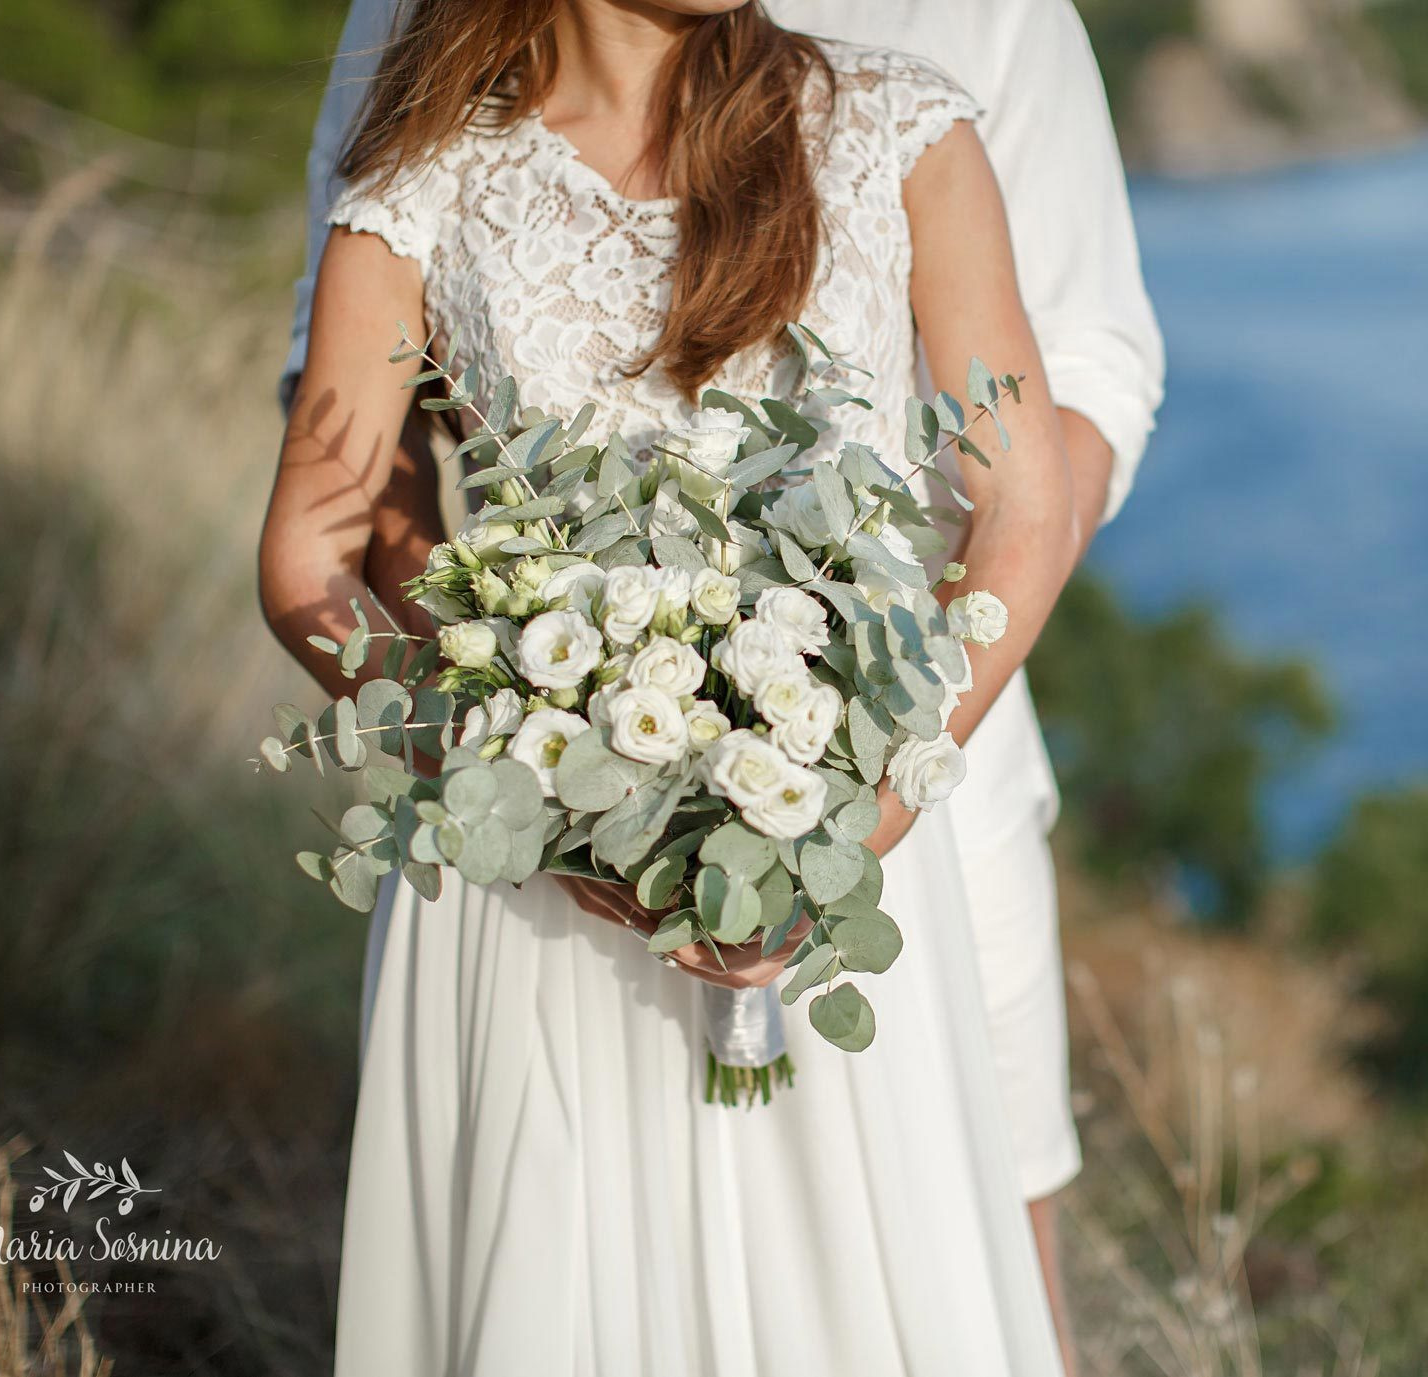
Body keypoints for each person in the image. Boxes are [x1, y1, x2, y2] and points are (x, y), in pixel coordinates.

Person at [283, 0, 1164, 1354]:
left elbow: (1025, 510)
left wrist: (860, 810)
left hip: (841, 860)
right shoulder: (423, 175)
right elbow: (311, 556)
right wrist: (511, 790)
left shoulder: (900, 125)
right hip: (527, 902)